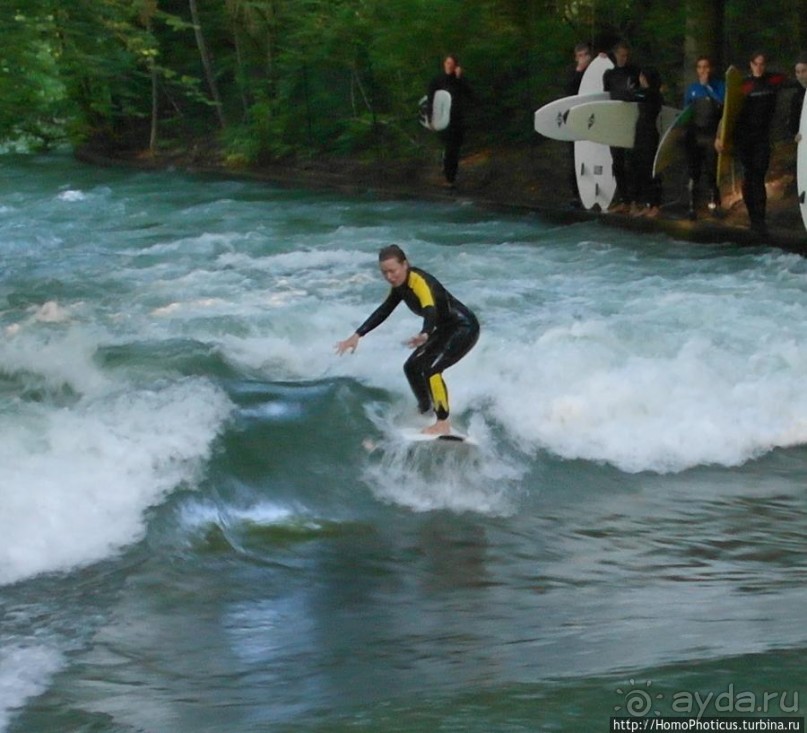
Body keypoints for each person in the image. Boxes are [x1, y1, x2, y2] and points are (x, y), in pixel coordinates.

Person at [335, 245, 480, 436]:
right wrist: (357, 335)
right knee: (411, 366)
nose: (389, 276)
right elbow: (384, 310)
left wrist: (426, 333)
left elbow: (430, 308)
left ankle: (443, 422)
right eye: (384, 272)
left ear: (405, 265)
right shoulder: (399, 287)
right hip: (446, 329)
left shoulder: (418, 281)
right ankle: (426, 409)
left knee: (432, 370)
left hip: (464, 328)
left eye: (392, 271)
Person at [721, 51, 786, 235]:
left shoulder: (773, 81)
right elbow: (729, 113)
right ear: (750, 64)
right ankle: (753, 218)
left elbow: (793, 79)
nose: (759, 67)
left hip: (762, 138)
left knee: (758, 176)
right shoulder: (744, 86)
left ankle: (760, 220)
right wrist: (724, 138)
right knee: (750, 177)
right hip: (744, 137)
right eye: (756, 64)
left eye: (762, 64)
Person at [612, 67, 664, 217]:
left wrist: (620, 93)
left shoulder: (652, 93)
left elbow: (628, 96)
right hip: (641, 133)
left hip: (649, 134)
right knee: (639, 168)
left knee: (649, 169)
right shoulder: (647, 93)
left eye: (642, 76)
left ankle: (655, 205)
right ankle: (646, 203)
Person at [683, 56, 725, 219]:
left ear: (711, 69)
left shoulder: (719, 86)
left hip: (712, 134)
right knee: (694, 171)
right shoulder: (692, 89)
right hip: (694, 135)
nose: (703, 70)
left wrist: (707, 86)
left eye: (706, 67)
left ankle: (714, 204)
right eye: (700, 67)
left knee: (711, 171)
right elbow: (686, 113)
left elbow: (722, 106)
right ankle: (692, 206)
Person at [603, 41, 641, 212]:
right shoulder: (609, 74)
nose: (624, 59)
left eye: (626, 55)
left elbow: (640, 93)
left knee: (632, 162)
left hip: (630, 120)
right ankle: (624, 200)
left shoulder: (634, 71)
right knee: (617, 162)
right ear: (615, 55)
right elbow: (605, 97)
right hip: (615, 121)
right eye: (621, 55)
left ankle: (634, 201)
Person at [427, 55, 473, 188]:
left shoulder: (459, 80)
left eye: (451, 64)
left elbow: (469, 94)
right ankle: (448, 178)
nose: (449, 66)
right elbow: (431, 99)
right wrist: (430, 118)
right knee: (449, 148)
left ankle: (452, 177)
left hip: (457, 119)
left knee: (455, 149)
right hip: (443, 119)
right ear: (444, 64)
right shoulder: (437, 80)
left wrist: (459, 78)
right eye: (447, 63)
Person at [565, 42, 593, 207]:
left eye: (586, 55)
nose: (583, 59)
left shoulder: (596, 73)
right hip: (576, 122)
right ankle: (577, 195)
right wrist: (579, 71)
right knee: (575, 158)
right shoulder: (573, 74)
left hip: (592, 121)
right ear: (576, 58)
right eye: (580, 56)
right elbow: (569, 92)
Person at [788, 55, 807, 143]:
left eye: (804, 71)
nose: (801, 75)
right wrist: (795, 134)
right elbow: (794, 119)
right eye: (798, 72)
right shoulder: (797, 96)